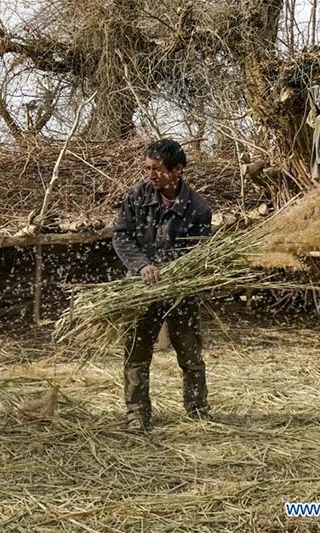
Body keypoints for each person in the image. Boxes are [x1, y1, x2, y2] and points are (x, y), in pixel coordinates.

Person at [112, 139, 213, 431]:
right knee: (136, 353)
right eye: (147, 169)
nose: (150, 175)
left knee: (191, 353)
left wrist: (174, 272)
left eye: (156, 169)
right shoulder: (137, 196)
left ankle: (197, 411)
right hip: (142, 289)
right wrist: (142, 265)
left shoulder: (198, 208)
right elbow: (121, 236)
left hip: (181, 291)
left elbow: (199, 251)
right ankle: (137, 414)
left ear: (177, 169)